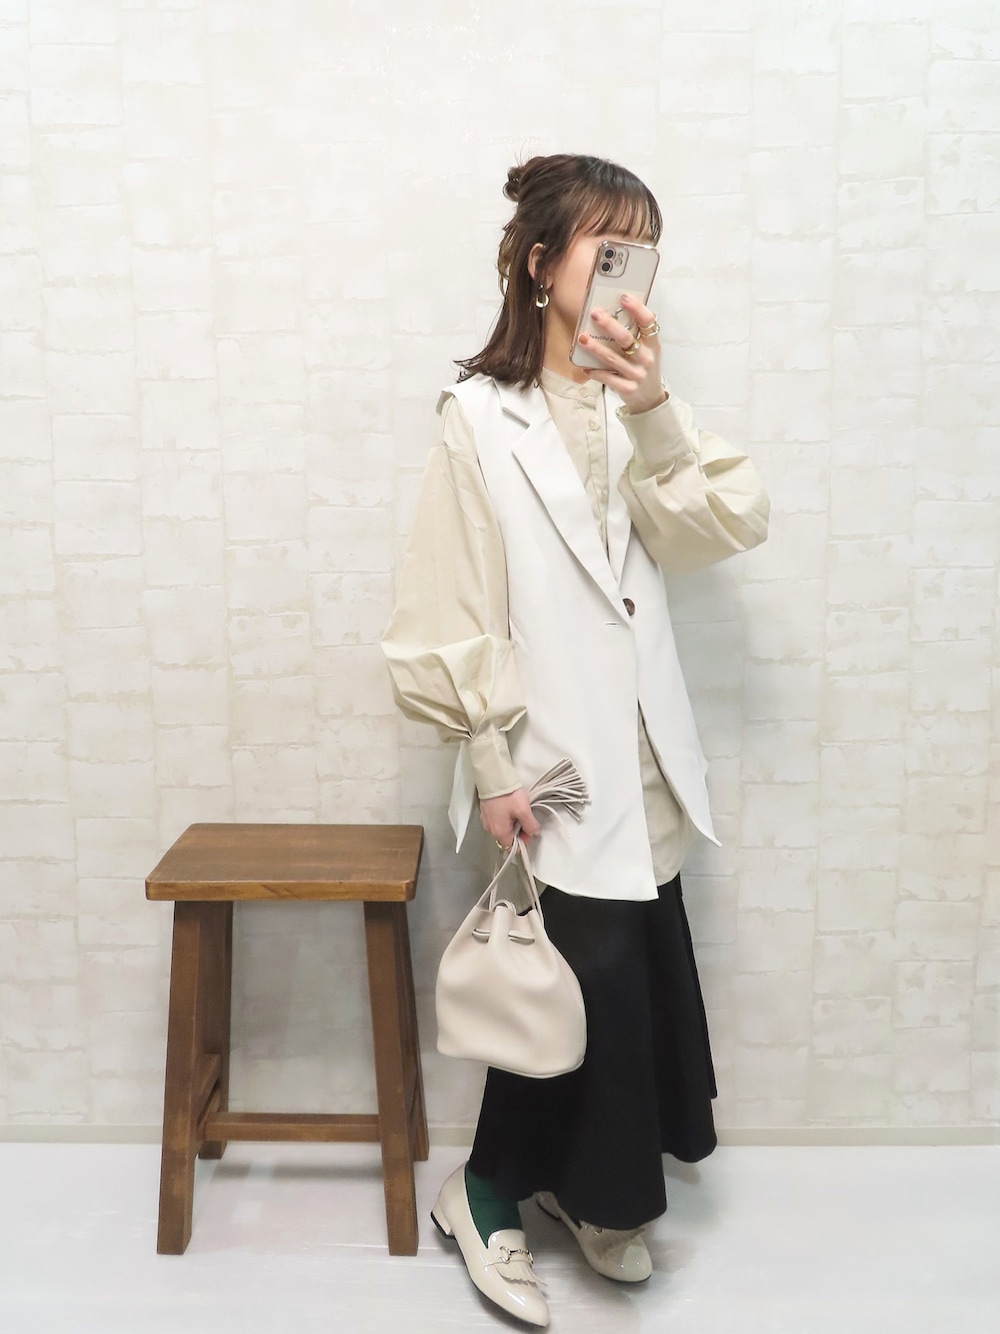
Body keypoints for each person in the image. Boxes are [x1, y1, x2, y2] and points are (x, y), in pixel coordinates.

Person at [382, 153, 769, 1328]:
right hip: (545, 757)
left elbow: (720, 525)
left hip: (645, 751)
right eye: (608, 249)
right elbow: (451, 603)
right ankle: (482, 1188)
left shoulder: (636, 408)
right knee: (558, 980)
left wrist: (650, 407)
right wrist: (490, 760)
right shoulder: (476, 418)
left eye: (642, 253)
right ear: (540, 263)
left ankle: (588, 1190)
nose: (627, 274)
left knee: (617, 979)